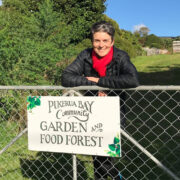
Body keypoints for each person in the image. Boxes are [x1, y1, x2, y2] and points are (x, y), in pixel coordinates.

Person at [61, 21, 139, 180]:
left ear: (112, 41)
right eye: (97, 40)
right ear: (92, 41)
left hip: (114, 111)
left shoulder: (120, 56)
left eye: (105, 40)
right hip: (90, 110)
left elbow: (132, 80)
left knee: (104, 152)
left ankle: (116, 177)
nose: (101, 45)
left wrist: (101, 82)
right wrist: (95, 83)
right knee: (95, 151)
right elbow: (66, 77)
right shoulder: (85, 55)